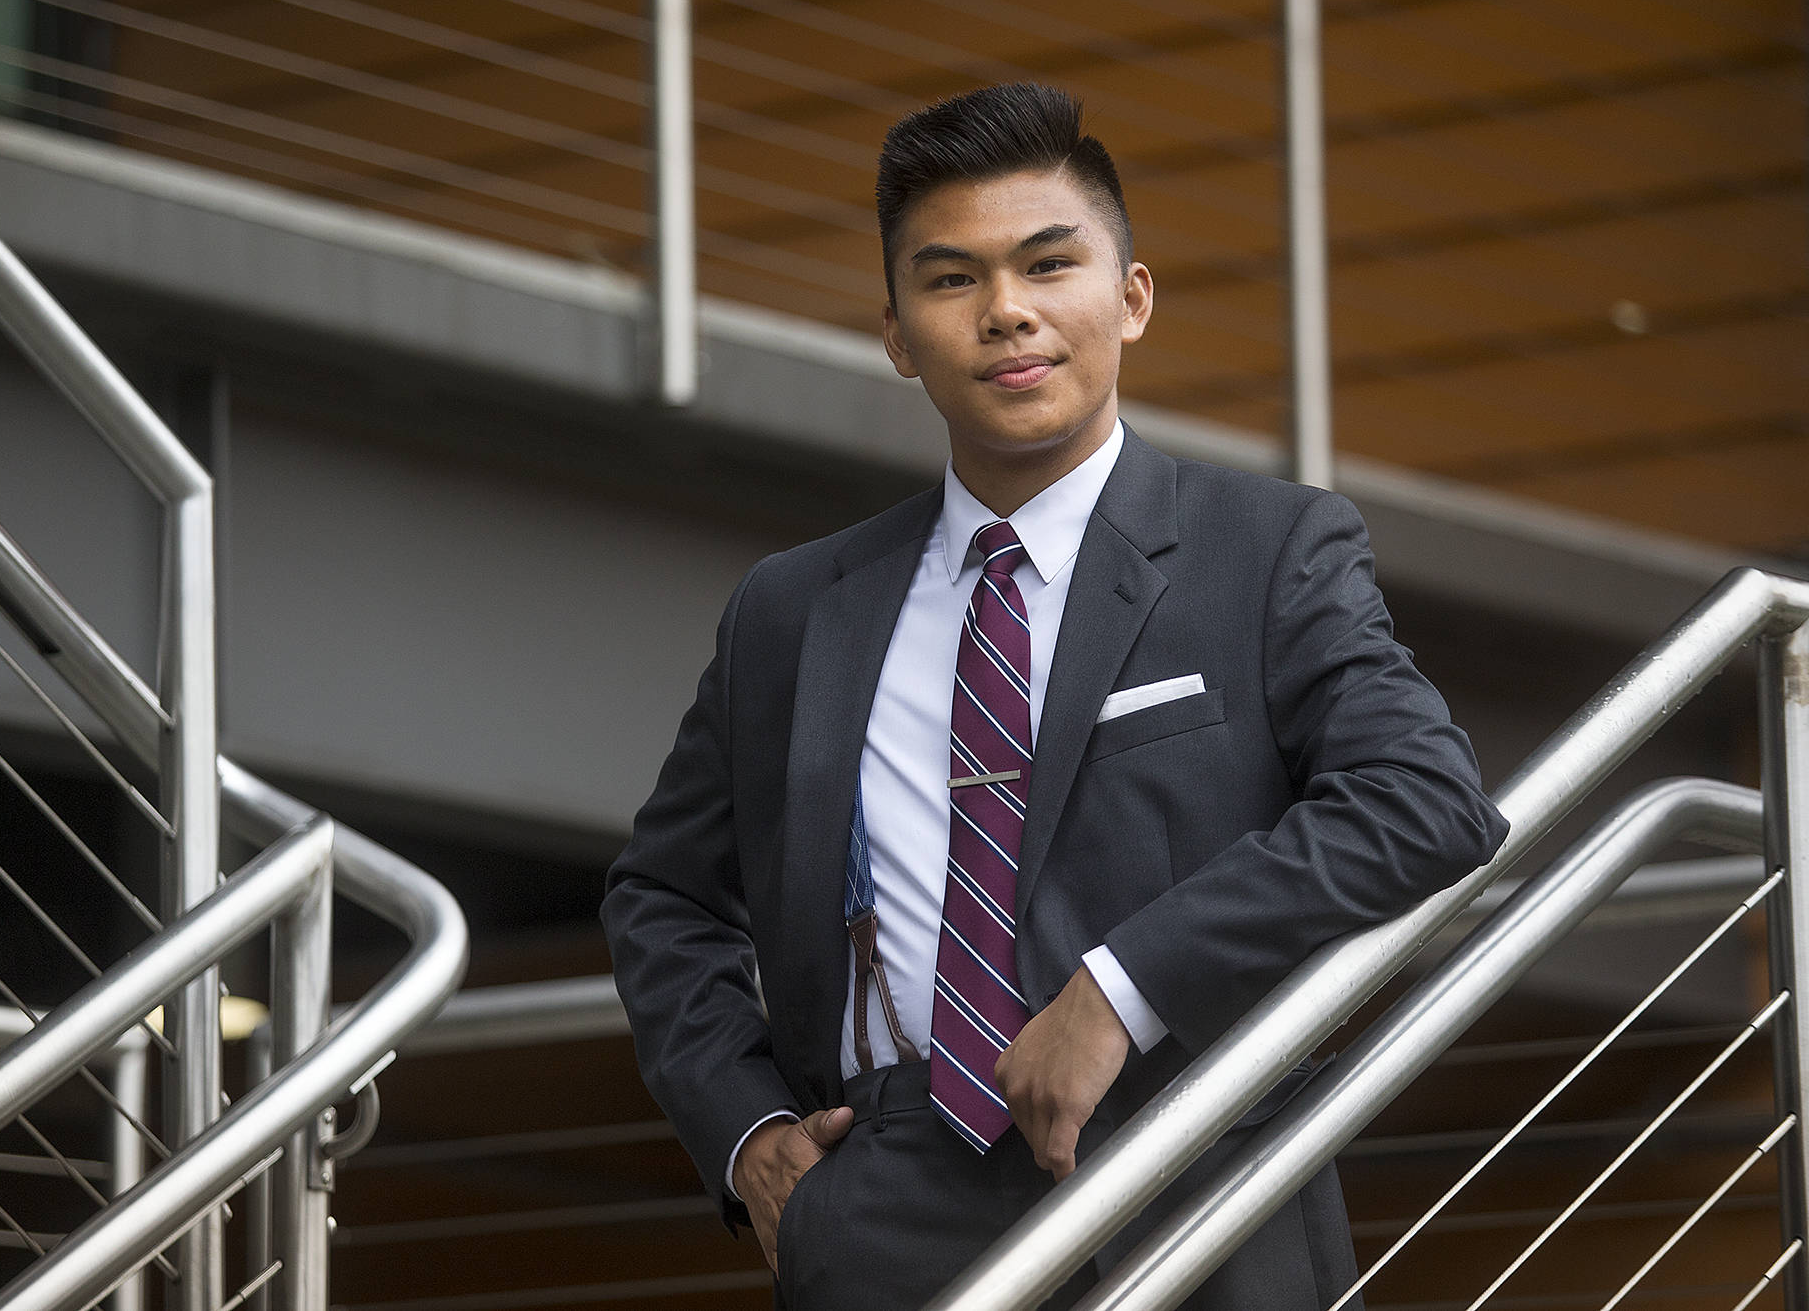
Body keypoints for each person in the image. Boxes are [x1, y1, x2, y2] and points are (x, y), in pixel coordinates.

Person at [600, 81, 1507, 1310]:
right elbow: (662, 895)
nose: (1006, 314)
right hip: (886, 1198)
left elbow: (1424, 802)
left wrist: (1121, 992)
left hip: (1195, 1172)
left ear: (1130, 298)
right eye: (951, 280)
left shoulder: (1264, 549)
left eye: (1046, 265)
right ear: (894, 334)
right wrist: (749, 1132)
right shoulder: (794, 610)